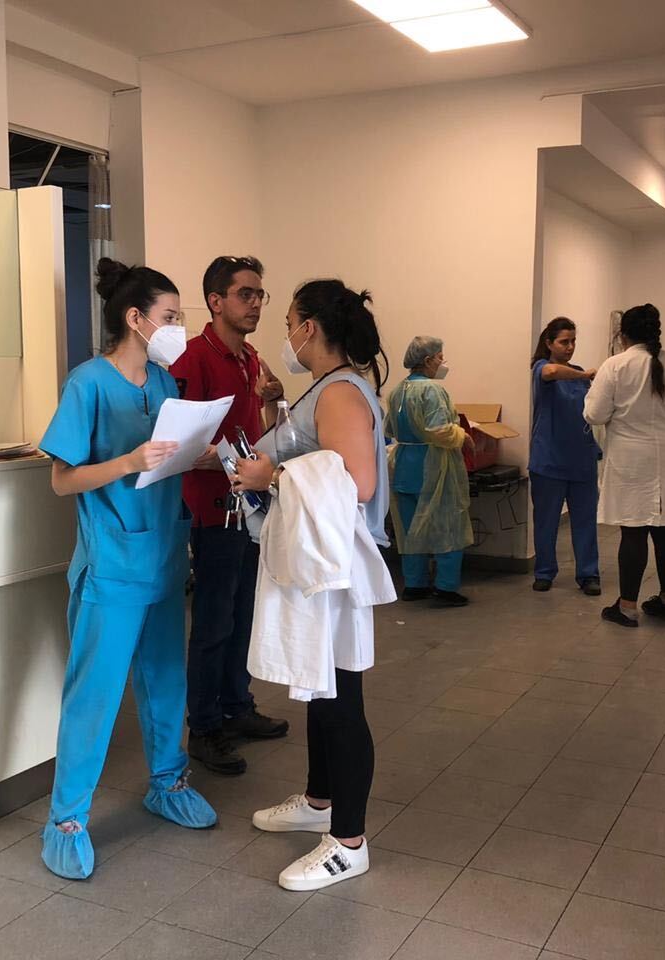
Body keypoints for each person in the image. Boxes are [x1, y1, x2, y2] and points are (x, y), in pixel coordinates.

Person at [37, 258, 216, 881]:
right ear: (135, 319)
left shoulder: (165, 384)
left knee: (167, 679)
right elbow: (62, 480)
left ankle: (166, 783)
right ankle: (66, 819)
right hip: (112, 563)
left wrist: (207, 450)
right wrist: (127, 460)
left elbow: (167, 457)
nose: (178, 328)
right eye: (170, 317)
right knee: (95, 694)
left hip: (164, 554)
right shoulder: (88, 382)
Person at [231, 279, 390, 891]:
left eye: (291, 320)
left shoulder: (343, 391)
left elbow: (359, 483)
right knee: (320, 693)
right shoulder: (323, 389)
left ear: (312, 328)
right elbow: (314, 462)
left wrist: (272, 472)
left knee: (340, 700)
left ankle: (348, 842)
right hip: (315, 562)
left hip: (334, 569)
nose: (286, 331)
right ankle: (321, 800)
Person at [169, 256, 289, 778]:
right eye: (245, 294)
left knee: (243, 615)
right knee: (214, 622)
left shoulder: (250, 358)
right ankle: (205, 726)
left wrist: (273, 401)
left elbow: (257, 429)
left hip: (249, 508)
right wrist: (224, 457)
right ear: (216, 301)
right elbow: (174, 442)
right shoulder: (193, 360)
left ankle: (237, 707)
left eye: (260, 294)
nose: (256, 303)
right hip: (212, 511)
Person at [584, 304, 665, 628]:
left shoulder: (616, 365)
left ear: (623, 335)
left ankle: (627, 607)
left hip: (630, 456)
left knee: (633, 529)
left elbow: (594, 414)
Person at [384, 336, 473, 606]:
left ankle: (415, 584)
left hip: (403, 466)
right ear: (427, 360)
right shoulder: (432, 391)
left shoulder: (397, 390)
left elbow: (389, 429)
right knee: (448, 524)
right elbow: (439, 430)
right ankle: (446, 588)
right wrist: (462, 436)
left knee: (411, 530)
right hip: (432, 466)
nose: (442, 362)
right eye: (439, 357)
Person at [528, 317, 602, 595]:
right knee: (546, 521)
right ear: (549, 343)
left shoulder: (579, 372)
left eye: (573, 341)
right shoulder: (542, 369)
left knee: (585, 520)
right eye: (564, 342)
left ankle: (588, 574)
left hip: (581, 459)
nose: (570, 347)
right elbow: (551, 372)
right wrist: (584, 376)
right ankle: (544, 571)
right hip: (548, 460)